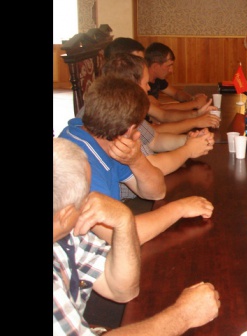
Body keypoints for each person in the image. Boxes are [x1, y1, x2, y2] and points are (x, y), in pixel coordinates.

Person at [53, 138, 221, 335]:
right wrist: (183, 315)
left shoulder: (67, 235)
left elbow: (122, 290)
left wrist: (124, 221)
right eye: (86, 195)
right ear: (65, 215)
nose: (93, 198)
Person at [58, 75, 214, 245]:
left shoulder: (105, 138)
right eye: (138, 128)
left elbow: (156, 192)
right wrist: (180, 208)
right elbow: (119, 236)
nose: (139, 134)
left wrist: (137, 160)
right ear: (129, 129)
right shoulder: (77, 161)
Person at [99, 53, 215, 200]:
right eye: (145, 83)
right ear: (131, 86)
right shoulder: (113, 116)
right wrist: (188, 150)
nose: (149, 88)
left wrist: (189, 140)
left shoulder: (124, 106)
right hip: (129, 202)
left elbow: (154, 140)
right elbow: (152, 166)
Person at [145, 42, 210, 111]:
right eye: (169, 66)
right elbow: (159, 108)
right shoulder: (141, 83)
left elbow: (176, 93)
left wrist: (192, 99)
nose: (171, 70)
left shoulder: (158, 78)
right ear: (155, 67)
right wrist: (195, 103)